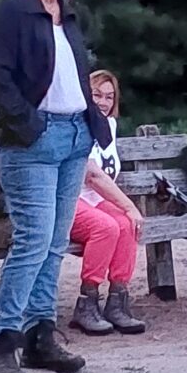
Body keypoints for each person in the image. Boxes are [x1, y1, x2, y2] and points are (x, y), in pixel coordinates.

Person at [0, 0, 110, 373]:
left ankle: (40, 334)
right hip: (33, 139)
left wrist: (89, 122)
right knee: (33, 241)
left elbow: (73, 75)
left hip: (74, 137)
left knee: (54, 243)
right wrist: (30, 126)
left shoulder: (65, 12)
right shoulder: (12, 11)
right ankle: (1, 343)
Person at [68, 70, 148, 336]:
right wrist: (129, 204)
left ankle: (117, 301)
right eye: (97, 95)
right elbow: (91, 175)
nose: (103, 102)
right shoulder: (78, 124)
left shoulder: (109, 125)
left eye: (109, 97)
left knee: (127, 225)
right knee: (107, 227)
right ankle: (87, 302)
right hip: (70, 198)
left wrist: (127, 210)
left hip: (94, 199)